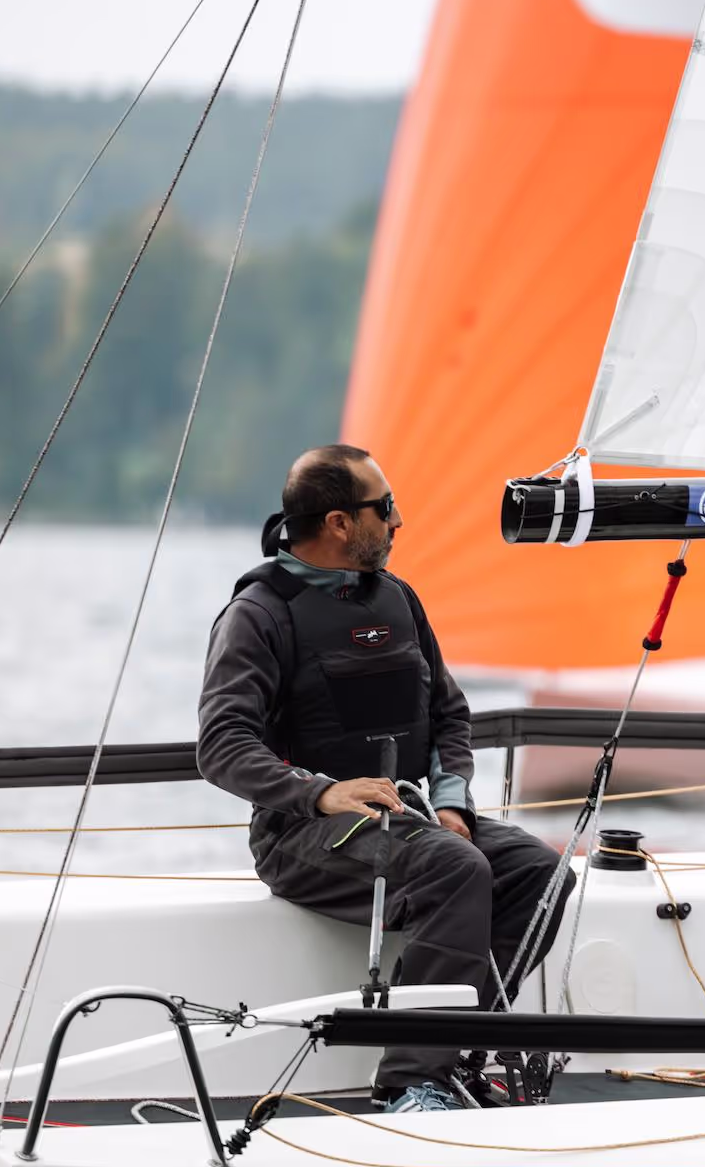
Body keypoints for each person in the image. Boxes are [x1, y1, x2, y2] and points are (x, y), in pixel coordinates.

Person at [198, 444, 571, 1113]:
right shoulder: (258, 614)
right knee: (454, 870)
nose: (399, 521)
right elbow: (222, 745)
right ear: (340, 522)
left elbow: (449, 715)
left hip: (414, 818)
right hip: (303, 834)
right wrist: (319, 792)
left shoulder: (399, 599)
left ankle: (458, 1054)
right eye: (386, 508)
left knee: (541, 876)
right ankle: (412, 1083)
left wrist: (453, 802)